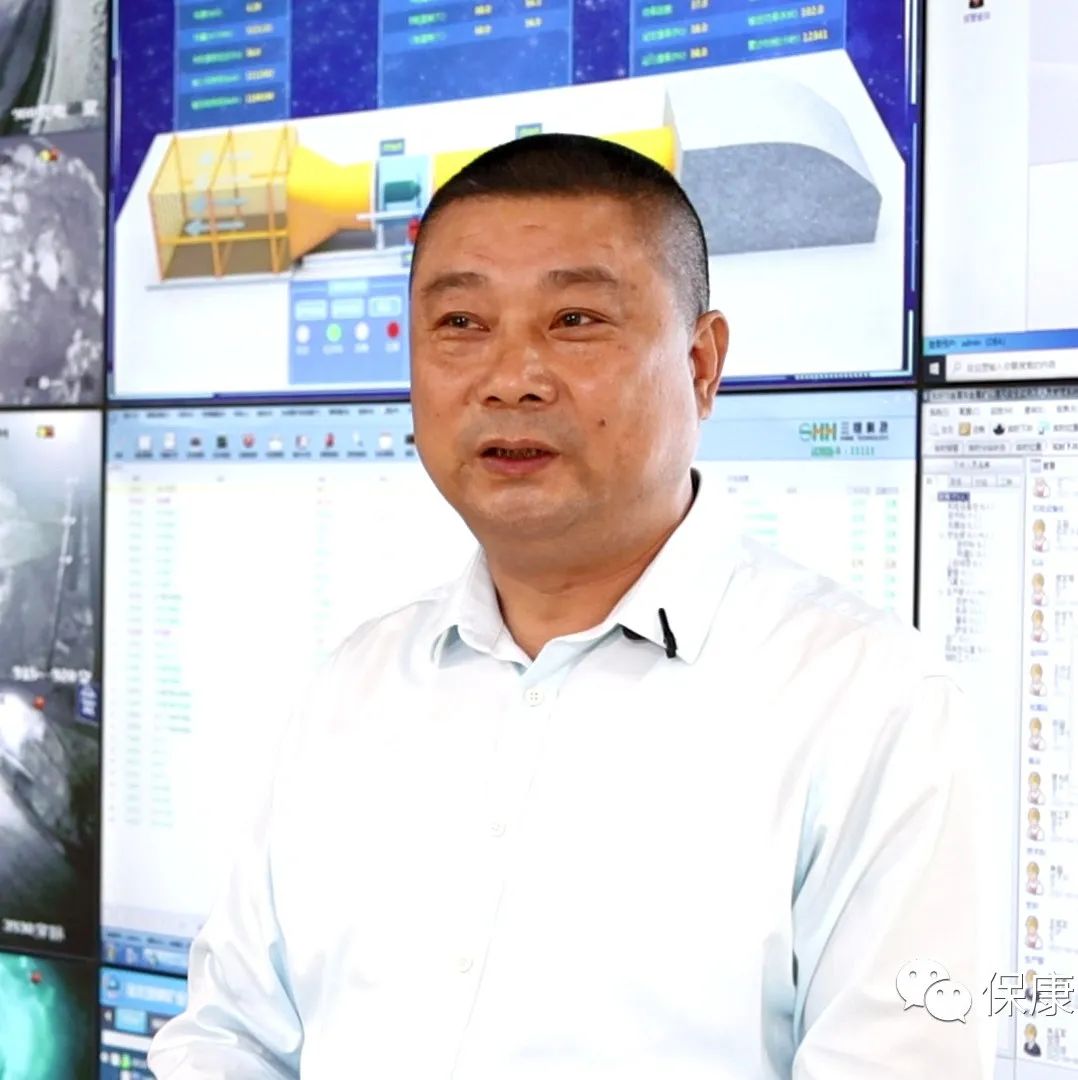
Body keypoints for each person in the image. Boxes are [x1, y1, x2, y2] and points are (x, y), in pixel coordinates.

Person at [148, 134, 996, 1078]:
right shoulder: (355, 683)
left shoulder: (866, 702)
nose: (511, 378)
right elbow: (228, 1038)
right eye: (461, 323)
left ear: (702, 364)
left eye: (576, 319)